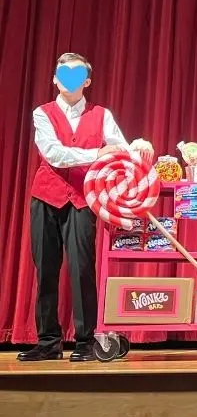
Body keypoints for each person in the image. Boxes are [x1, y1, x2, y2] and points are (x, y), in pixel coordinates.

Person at [19, 53, 152, 362]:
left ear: (87, 82)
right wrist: (97, 153)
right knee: (46, 269)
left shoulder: (101, 115)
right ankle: (48, 342)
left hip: (84, 198)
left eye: (77, 76)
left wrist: (136, 149)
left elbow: (119, 149)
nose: (69, 81)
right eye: (63, 75)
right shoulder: (43, 113)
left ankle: (85, 342)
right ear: (54, 79)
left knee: (81, 269)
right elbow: (54, 155)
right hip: (46, 197)